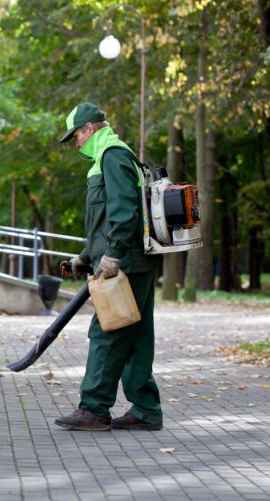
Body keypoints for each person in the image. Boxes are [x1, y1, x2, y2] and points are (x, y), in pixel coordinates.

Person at [54, 102, 163, 431]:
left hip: (125, 262)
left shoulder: (112, 155)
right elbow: (102, 222)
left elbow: (124, 209)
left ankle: (94, 409)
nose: (76, 144)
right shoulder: (109, 157)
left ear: (89, 129)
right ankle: (146, 409)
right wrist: (84, 258)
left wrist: (112, 256)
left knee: (107, 332)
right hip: (132, 259)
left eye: (75, 136)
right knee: (136, 336)